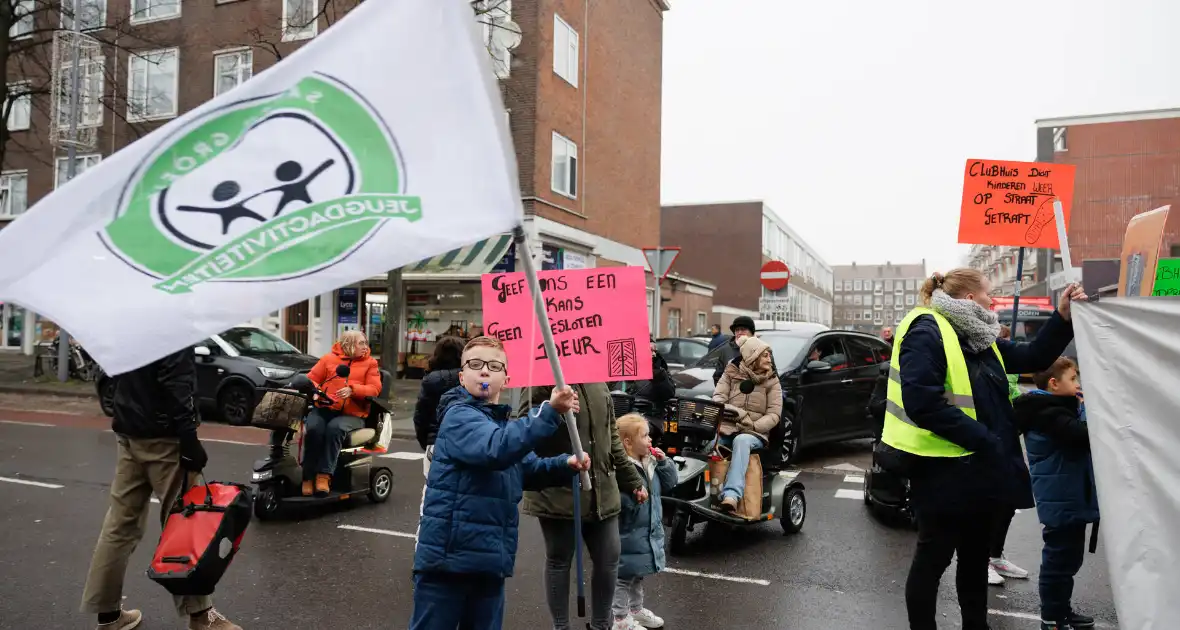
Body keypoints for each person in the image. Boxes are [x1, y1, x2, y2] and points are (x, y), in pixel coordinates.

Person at [881, 268, 1085, 630]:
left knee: (975, 561)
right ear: (970, 298)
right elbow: (921, 402)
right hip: (942, 469)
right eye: (989, 294)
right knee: (933, 559)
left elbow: (1033, 356)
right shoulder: (926, 330)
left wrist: (1063, 317)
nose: (993, 301)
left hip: (980, 470)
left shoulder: (978, 335)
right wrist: (985, 439)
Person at [411, 336, 590, 630]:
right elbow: (495, 449)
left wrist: (565, 464)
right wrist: (549, 412)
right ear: (461, 375)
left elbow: (527, 468)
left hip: (490, 560)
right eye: (476, 364)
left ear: (506, 379)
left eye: (494, 366)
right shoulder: (458, 416)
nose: (484, 371)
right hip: (448, 562)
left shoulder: (502, 424)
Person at [80, 348, 240, 630]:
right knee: (185, 522)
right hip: (165, 437)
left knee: (119, 525)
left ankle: (108, 615)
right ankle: (201, 616)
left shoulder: (130, 320)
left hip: (129, 431)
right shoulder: (173, 323)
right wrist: (189, 438)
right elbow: (177, 381)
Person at [516, 382, 648, 630]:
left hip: (603, 489)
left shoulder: (598, 383)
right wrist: (552, 411)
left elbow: (610, 436)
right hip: (560, 488)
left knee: (609, 558)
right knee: (559, 559)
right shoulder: (544, 378)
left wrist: (631, 479)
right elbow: (526, 431)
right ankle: (561, 627)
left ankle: (601, 625)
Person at [1014, 358, 1099, 630]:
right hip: (1061, 497)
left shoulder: (1053, 409)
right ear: (1054, 384)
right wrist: (1086, 409)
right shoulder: (1046, 412)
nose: (1078, 385)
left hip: (1068, 495)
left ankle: (1062, 611)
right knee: (1058, 560)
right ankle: (1051, 617)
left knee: (1069, 559)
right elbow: (1083, 436)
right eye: (1073, 379)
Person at [613, 414, 678, 630]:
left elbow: (670, 483)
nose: (650, 440)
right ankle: (620, 619)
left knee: (637, 573)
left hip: (646, 528)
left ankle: (636, 610)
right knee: (623, 577)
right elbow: (618, 499)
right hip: (628, 530)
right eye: (645, 436)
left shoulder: (649, 462)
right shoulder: (622, 469)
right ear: (627, 442)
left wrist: (664, 463)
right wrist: (632, 503)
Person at [302, 329, 382, 496]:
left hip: (353, 414)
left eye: (365, 343)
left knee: (334, 428)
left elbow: (375, 389)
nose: (365, 347)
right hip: (325, 408)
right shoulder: (328, 359)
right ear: (349, 344)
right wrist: (315, 391)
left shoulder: (370, 363)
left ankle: (324, 476)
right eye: (361, 343)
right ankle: (308, 477)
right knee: (314, 429)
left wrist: (353, 390)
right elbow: (311, 378)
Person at [710, 335, 782, 513]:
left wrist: (754, 426)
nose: (769, 358)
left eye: (768, 355)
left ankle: (731, 495)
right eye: (764, 355)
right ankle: (707, 493)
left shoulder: (772, 380)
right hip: (729, 427)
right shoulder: (731, 372)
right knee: (710, 443)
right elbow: (718, 399)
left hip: (755, 432)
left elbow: (774, 414)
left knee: (741, 441)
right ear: (752, 356)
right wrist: (739, 414)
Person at [989, 324, 1029, 585]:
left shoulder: (1006, 364)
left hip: (1008, 436)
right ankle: (982, 559)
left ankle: (996, 555)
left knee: (1008, 502)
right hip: (989, 440)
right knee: (987, 506)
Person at [413, 335, 466, 464]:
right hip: (464, 442)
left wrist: (426, 442)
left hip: (435, 442)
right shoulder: (469, 379)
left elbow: (421, 416)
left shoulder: (430, 380)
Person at [712, 316, 756, 386]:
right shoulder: (726, 350)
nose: (739, 333)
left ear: (751, 332)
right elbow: (718, 377)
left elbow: (772, 378)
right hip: (733, 395)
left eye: (743, 329)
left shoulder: (761, 349)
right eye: (737, 330)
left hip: (756, 395)